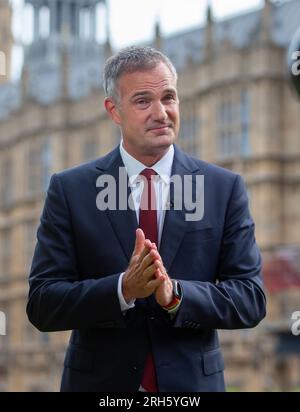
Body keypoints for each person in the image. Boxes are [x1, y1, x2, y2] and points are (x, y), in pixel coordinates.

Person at [26, 46, 266, 392]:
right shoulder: (70, 190)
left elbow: (250, 298)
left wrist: (177, 296)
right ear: (114, 111)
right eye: (142, 101)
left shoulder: (223, 188)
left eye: (169, 97)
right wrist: (122, 289)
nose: (161, 112)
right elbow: (43, 303)